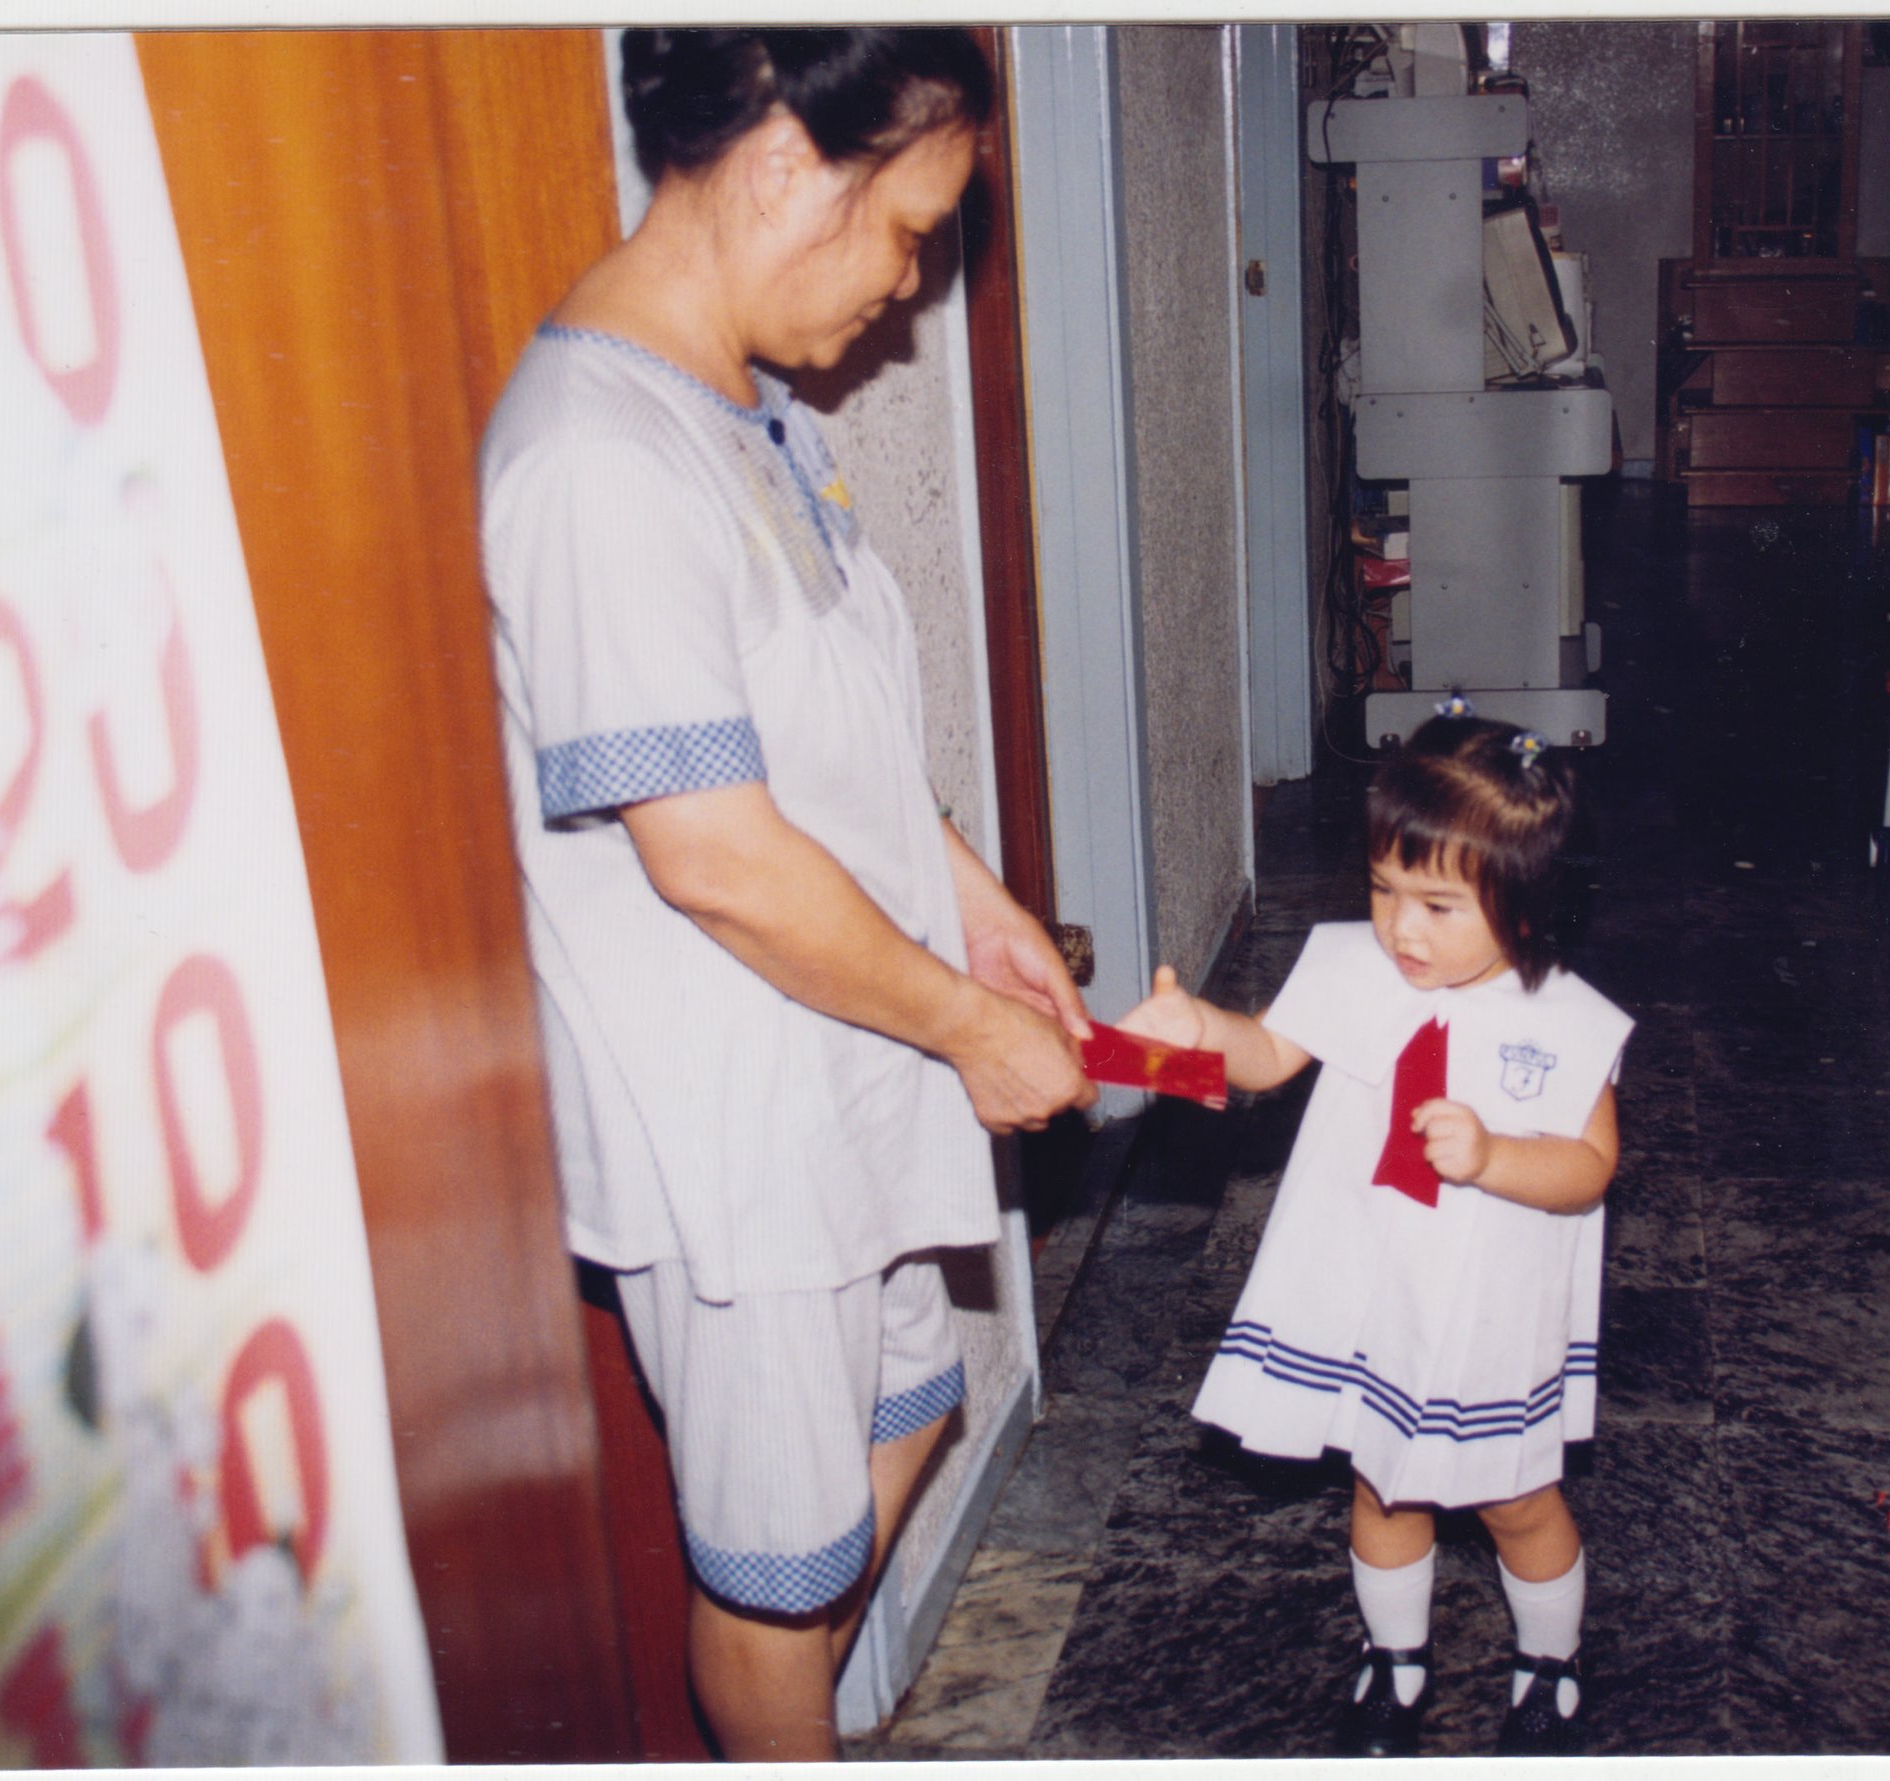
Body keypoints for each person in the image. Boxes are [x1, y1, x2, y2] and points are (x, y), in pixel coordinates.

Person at [477, 27, 1095, 1761]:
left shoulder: (751, 413)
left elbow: (839, 744)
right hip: (735, 1121)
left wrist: (980, 909)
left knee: (905, 1411)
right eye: (905, 232)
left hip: (852, 1050)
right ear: (780, 170)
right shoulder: (597, 458)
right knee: (775, 1575)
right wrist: (967, 1024)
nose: (909, 285)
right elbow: (719, 857)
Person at [1117, 709, 1632, 1757]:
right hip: (1368, 1277)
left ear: (1525, 900)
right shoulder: (1351, 968)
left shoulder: (1565, 1019)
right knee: (1380, 1477)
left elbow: (1590, 1166)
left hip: (1487, 1303)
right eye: (1385, 889)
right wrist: (1187, 1039)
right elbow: (1264, 1057)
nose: (1403, 928)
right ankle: (1395, 1657)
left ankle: (1550, 1661)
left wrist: (1493, 1155)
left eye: (1439, 905)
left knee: (1515, 1495)